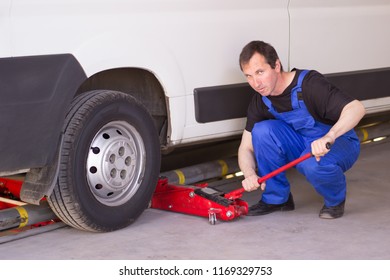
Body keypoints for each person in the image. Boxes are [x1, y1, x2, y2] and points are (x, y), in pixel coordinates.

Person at [238, 40, 366, 219]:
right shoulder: (261, 101)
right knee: (261, 130)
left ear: (276, 65)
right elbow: (245, 147)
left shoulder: (309, 84)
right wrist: (249, 174)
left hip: (339, 142)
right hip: (302, 143)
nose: (255, 83)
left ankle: (335, 201)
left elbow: (357, 108)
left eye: (260, 72)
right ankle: (277, 199)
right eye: (248, 76)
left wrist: (329, 136)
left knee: (312, 164)